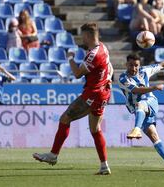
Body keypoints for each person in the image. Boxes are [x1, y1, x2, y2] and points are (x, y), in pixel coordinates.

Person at [33, 22, 113, 175]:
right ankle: (104, 166)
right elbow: (109, 68)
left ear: (88, 35)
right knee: (95, 129)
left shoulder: (93, 55)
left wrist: (70, 58)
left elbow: (77, 73)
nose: (81, 39)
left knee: (65, 118)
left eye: (83, 36)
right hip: (103, 93)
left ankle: (53, 155)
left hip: (92, 94)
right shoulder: (103, 48)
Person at [119, 54, 164, 170]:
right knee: (154, 136)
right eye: (131, 65)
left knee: (141, 104)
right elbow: (136, 90)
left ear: (140, 65)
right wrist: (155, 87)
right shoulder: (123, 79)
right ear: (126, 65)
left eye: (136, 65)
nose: (134, 68)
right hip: (138, 110)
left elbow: (162, 65)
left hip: (151, 102)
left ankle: (136, 129)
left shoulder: (144, 71)